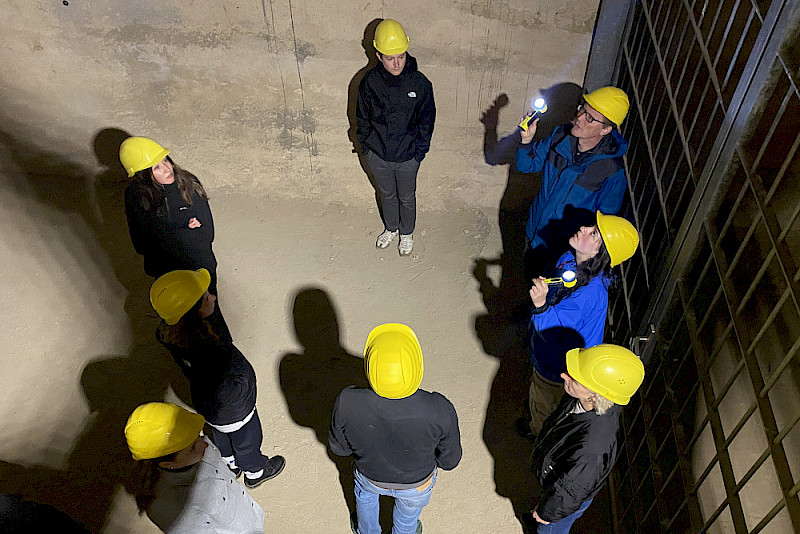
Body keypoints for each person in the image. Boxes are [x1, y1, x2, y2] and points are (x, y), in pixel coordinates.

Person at [150, 268, 285, 489]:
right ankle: (255, 471)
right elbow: (233, 383)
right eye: (206, 298)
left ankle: (229, 463)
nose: (212, 298)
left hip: (206, 404)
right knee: (247, 441)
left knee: (221, 435)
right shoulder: (216, 353)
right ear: (195, 314)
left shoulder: (174, 334)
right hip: (236, 410)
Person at [329, 324, 461, 534]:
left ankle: (367, 530)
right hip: (416, 483)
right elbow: (450, 461)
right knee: (408, 517)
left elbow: (340, 449)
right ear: (417, 366)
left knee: (365, 500)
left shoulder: (347, 401)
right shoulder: (439, 409)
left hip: (369, 476)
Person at [522, 212, 639, 438]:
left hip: (558, 367)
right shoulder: (570, 260)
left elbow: (552, 326)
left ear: (599, 252)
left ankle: (537, 435)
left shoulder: (590, 292)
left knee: (543, 404)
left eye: (593, 233)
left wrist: (540, 306)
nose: (584, 228)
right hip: (558, 355)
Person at [530, 344, 645, 533]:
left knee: (549, 530)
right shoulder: (586, 399)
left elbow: (570, 490)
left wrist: (545, 513)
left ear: (595, 394)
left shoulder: (593, 447)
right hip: (559, 481)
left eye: (574, 378)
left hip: (564, 500)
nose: (563, 375)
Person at [516, 87, 630, 276]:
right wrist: (526, 141)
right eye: (582, 109)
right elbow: (527, 165)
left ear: (606, 129)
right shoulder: (560, 136)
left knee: (545, 298)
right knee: (527, 278)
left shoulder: (612, 172)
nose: (580, 118)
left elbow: (604, 225)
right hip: (534, 230)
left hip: (562, 250)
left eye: (590, 118)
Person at [357, 19, 436, 256]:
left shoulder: (420, 84)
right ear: (379, 55)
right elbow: (361, 117)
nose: (396, 63)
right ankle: (391, 228)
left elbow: (427, 121)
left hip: (407, 157)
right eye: (390, 57)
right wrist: (366, 148)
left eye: (400, 56)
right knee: (387, 195)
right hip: (378, 155)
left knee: (407, 197)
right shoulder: (370, 82)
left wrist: (419, 153)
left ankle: (406, 233)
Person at [124, 402, 266, 533]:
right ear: (168, 464)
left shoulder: (194, 449)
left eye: (198, 436)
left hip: (249, 517)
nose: (205, 444)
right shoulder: (175, 513)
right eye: (192, 448)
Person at [121, 137, 221, 296]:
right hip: (166, 272)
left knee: (208, 310)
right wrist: (186, 231)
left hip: (199, 268)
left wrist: (165, 234)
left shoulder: (189, 183)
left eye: (165, 160)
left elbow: (208, 234)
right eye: (157, 168)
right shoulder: (135, 196)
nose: (167, 168)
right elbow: (140, 245)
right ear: (144, 176)